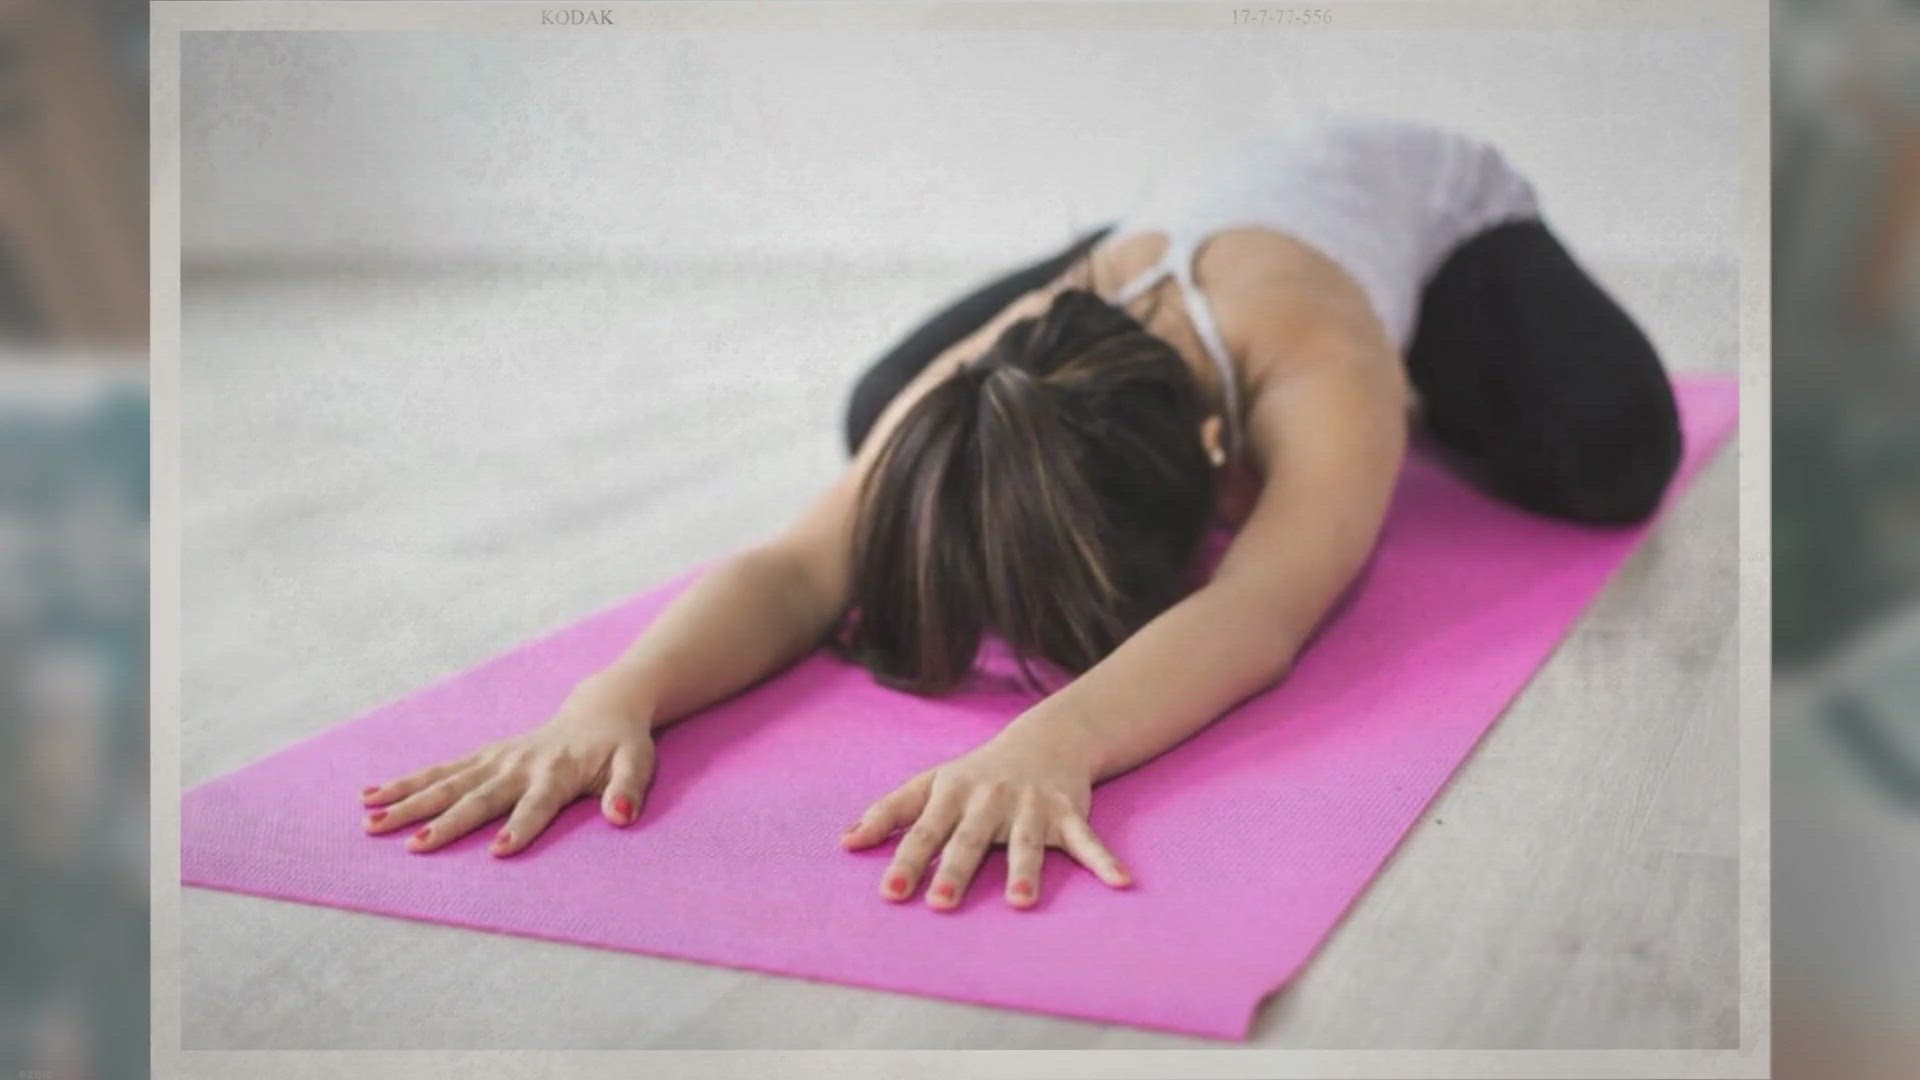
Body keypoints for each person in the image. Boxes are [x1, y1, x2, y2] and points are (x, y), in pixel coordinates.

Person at [355, 115, 1683, 911]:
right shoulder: (1015, 352)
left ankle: (1448, 377)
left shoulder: (1324, 367)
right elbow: (798, 565)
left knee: (1617, 456)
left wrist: (1055, 742)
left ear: (1218, 468)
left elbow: (1263, 611)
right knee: (887, 422)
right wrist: (613, 698)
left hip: (1431, 212)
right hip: (1160, 234)